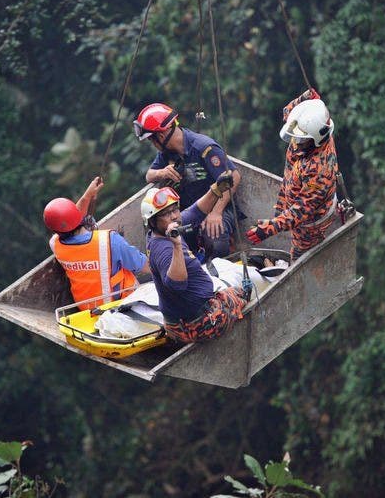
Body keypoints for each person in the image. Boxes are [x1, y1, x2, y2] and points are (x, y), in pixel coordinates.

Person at [141, 171, 248, 343]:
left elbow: (196, 212)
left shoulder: (163, 231)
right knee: (243, 293)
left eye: (175, 209)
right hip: (200, 324)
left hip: (179, 324)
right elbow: (177, 285)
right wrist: (176, 245)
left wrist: (216, 190)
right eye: (166, 214)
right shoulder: (165, 248)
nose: (174, 216)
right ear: (152, 221)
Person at [134, 102, 242, 261]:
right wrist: (162, 172)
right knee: (170, 237)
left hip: (219, 207)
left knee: (214, 235)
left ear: (161, 136)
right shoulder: (166, 153)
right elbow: (149, 176)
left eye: (152, 140)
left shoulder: (202, 147)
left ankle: (225, 270)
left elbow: (234, 177)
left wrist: (216, 212)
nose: (153, 144)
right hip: (191, 211)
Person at [245, 88, 339, 260]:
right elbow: (288, 112)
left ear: (316, 139)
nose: (296, 142)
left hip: (310, 223)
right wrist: (304, 98)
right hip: (291, 189)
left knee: (299, 256)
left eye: (301, 139)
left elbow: (301, 211)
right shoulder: (306, 125)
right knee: (281, 218)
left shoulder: (320, 170)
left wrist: (270, 228)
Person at [44, 177, 150, 310]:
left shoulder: (55, 244)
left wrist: (86, 197)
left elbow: (67, 221)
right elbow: (145, 266)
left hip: (87, 310)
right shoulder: (109, 240)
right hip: (122, 305)